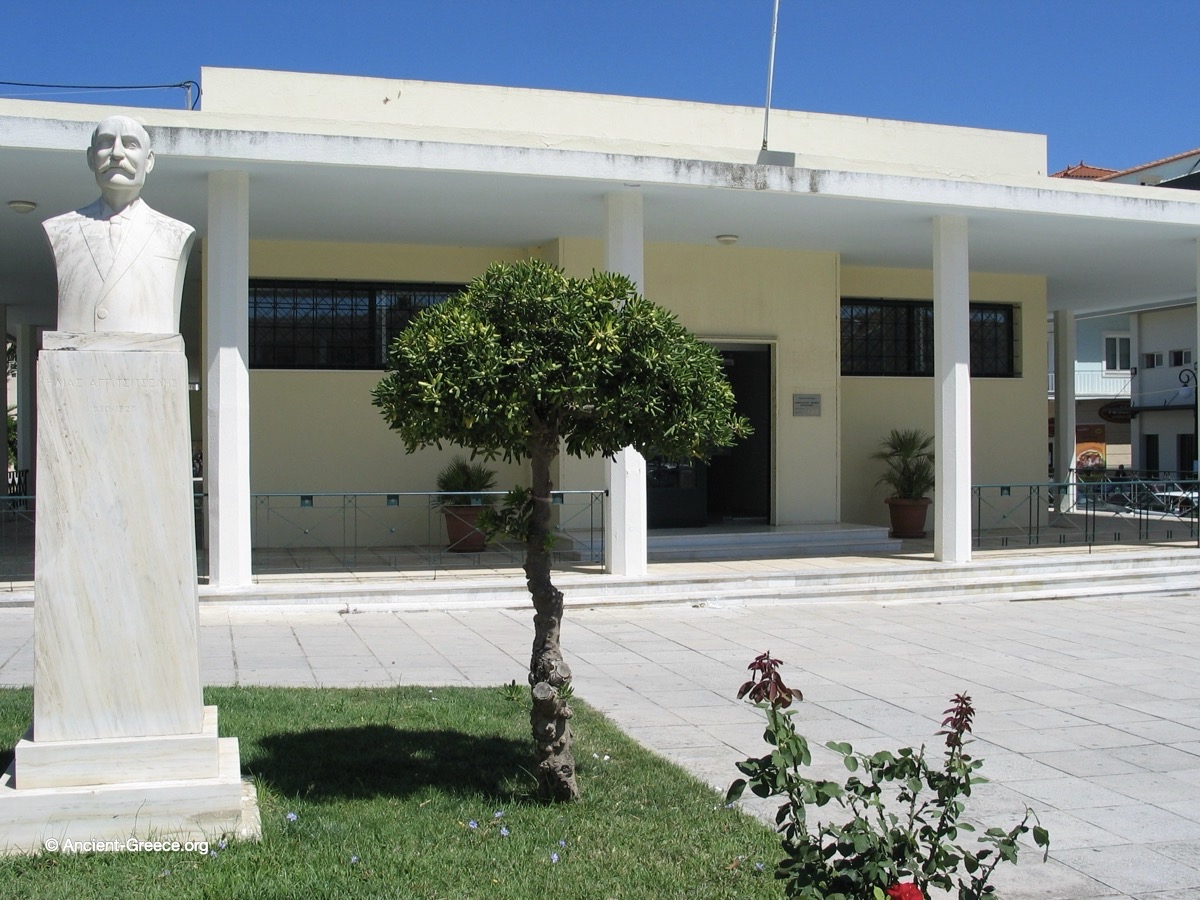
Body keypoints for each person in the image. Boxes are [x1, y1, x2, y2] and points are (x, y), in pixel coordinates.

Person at [41, 115, 195, 334]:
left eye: (130, 144)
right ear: (91, 158)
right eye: (105, 143)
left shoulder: (176, 234)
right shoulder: (60, 230)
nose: (116, 154)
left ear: (149, 161)